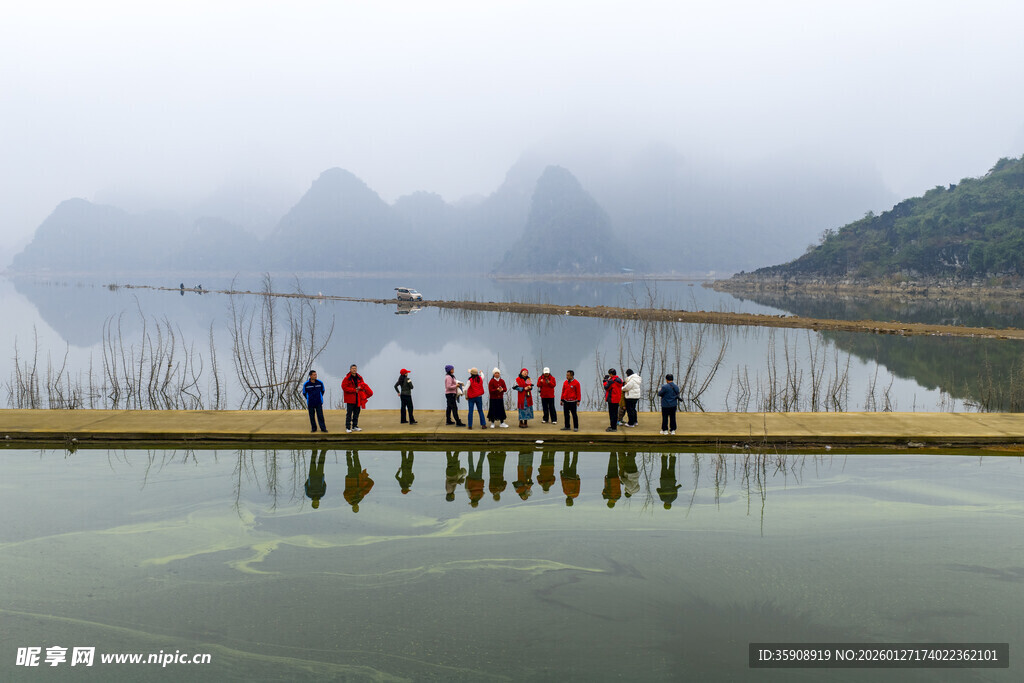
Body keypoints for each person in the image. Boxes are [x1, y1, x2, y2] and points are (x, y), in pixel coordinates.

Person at [342, 364, 367, 433]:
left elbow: (363, 385)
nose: (354, 370)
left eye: (355, 368)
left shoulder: (359, 377)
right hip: (350, 399)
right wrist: (354, 390)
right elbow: (344, 387)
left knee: (356, 413)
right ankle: (348, 427)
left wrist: (360, 388)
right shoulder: (347, 378)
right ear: (350, 370)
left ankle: (354, 426)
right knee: (349, 414)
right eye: (353, 368)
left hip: (358, 398)